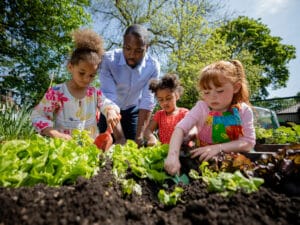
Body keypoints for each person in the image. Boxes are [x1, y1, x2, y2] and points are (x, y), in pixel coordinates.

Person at [164, 60, 256, 176]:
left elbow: (248, 142)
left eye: (219, 91)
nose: (213, 97)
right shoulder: (201, 107)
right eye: (206, 92)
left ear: (236, 87)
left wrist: (218, 148)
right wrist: (172, 156)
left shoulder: (243, 111)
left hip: (231, 164)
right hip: (202, 162)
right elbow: (180, 129)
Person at [31, 29, 121, 140]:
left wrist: (110, 111)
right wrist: (54, 134)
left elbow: (107, 103)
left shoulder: (94, 93)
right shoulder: (57, 92)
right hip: (64, 148)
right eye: (82, 73)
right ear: (70, 67)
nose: (86, 79)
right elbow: (38, 115)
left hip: (89, 147)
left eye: (92, 75)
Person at [98, 24, 160, 146]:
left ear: (146, 47)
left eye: (138, 50)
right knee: (105, 147)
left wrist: (139, 136)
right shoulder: (108, 60)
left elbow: (147, 100)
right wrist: (120, 137)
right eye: (127, 48)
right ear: (123, 44)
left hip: (133, 111)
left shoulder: (153, 66)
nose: (132, 54)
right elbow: (109, 96)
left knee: (135, 145)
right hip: (109, 111)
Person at [144, 73, 195, 146]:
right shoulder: (159, 115)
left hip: (181, 151)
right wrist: (151, 138)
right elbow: (147, 130)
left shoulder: (184, 113)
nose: (165, 103)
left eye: (168, 98)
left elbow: (193, 128)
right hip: (165, 152)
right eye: (161, 100)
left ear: (177, 96)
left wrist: (188, 138)